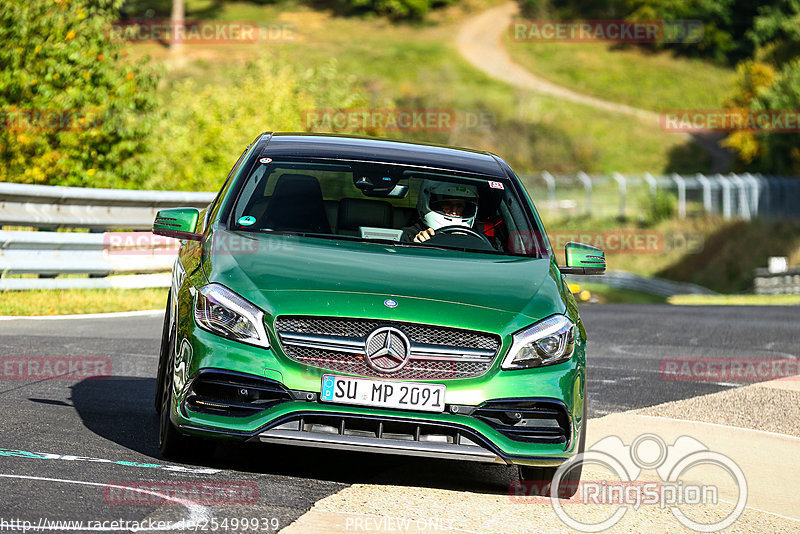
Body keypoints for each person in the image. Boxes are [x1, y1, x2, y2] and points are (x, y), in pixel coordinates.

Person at [401, 180, 479, 242]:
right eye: (447, 204)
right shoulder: (409, 235)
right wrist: (415, 246)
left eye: (459, 206)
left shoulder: (476, 239)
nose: (454, 211)